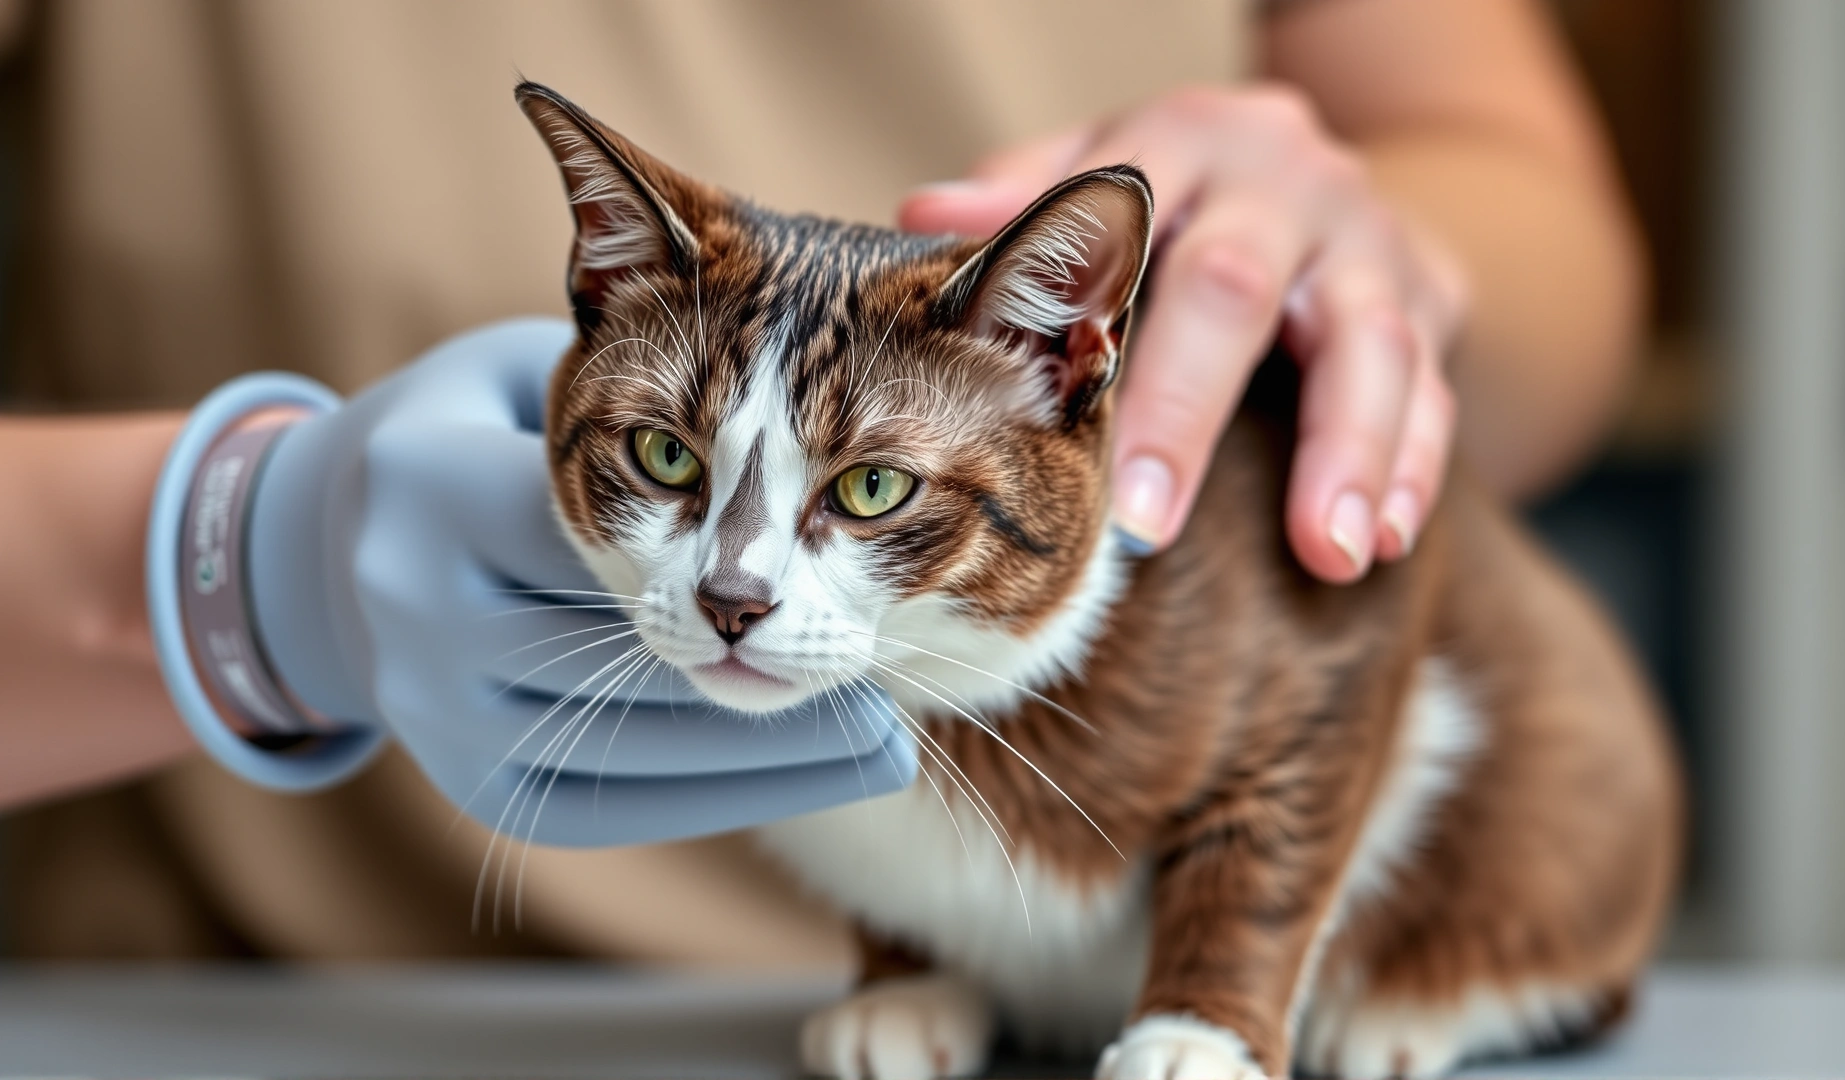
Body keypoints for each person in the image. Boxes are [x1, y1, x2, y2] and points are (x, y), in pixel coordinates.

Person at [0, 0, 1641, 965]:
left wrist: (1369, 290)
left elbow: (1553, 248)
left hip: (1065, 974)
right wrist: (223, 570)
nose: (729, 587)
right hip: (270, 998)